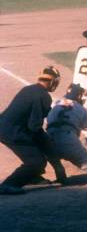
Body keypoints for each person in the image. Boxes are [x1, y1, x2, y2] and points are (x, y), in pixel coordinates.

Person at [0, 66, 61, 195]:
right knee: (37, 162)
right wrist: (48, 146)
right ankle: (8, 184)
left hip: (5, 126)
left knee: (34, 149)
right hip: (12, 132)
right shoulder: (44, 96)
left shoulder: (29, 89)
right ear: (52, 82)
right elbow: (34, 127)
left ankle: (32, 176)